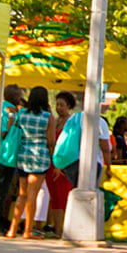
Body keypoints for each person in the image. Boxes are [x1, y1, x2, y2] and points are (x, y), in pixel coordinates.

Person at [7, 86, 56, 239]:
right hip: (40, 156)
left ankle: (12, 229)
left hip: (23, 154)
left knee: (21, 194)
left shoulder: (22, 113)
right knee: (32, 195)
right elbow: (51, 141)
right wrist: (53, 157)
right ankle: (28, 230)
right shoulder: (48, 117)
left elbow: (14, 127)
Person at [0, 84, 23, 233]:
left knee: (1, 191)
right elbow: (3, 133)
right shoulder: (5, 111)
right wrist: (11, 119)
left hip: (4, 157)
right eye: (18, 96)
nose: (20, 98)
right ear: (12, 96)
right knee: (0, 191)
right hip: (3, 157)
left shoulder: (3, 109)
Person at [45, 91, 76, 235]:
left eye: (62, 105)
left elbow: (69, 145)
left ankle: (65, 229)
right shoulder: (54, 121)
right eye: (57, 104)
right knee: (54, 197)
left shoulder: (71, 123)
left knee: (63, 196)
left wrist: (60, 165)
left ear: (69, 106)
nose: (59, 108)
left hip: (63, 165)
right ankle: (56, 228)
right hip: (50, 163)